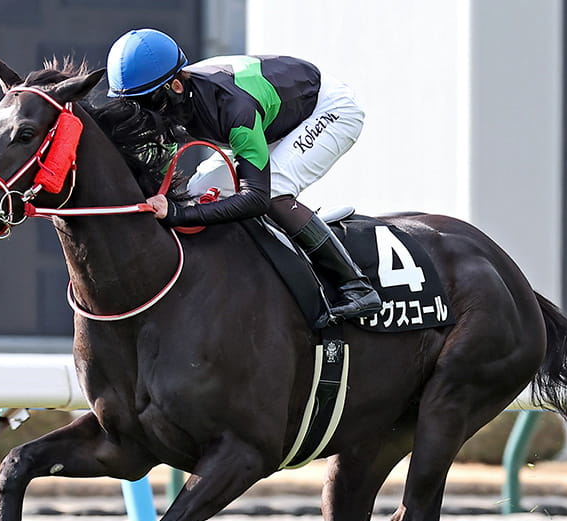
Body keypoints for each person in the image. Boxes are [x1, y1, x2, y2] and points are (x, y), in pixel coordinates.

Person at [105, 28, 381, 324]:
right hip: (271, 118)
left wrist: (178, 214)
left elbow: (255, 199)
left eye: (146, 102)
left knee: (275, 190)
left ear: (175, 86)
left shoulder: (232, 108)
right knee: (200, 189)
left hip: (326, 110)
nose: (141, 113)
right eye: (132, 104)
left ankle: (356, 286)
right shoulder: (175, 98)